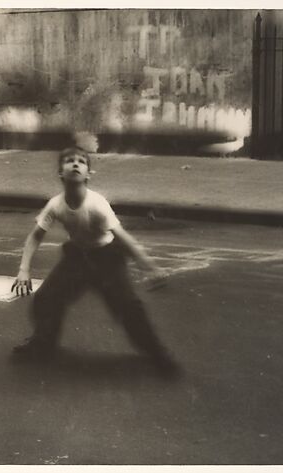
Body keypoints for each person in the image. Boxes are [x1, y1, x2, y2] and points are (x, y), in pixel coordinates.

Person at [10, 145, 180, 375]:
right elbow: (35, 236)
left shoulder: (97, 204)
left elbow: (124, 238)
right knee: (45, 299)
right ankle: (43, 343)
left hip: (107, 258)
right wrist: (23, 270)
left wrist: (149, 267)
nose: (76, 164)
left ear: (88, 174)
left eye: (82, 161)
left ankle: (158, 354)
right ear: (61, 172)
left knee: (129, 307)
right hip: (77, 257)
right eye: (69, 160)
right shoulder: (56, 204)